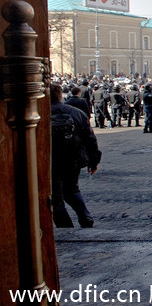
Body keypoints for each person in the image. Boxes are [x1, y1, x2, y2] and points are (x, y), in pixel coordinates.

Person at [50, 82, 102, 228]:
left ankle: (65, 225)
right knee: (72, 189)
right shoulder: (76, 112)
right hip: (74, 159)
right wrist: (94, 161)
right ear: (60, 95)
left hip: (51, 160)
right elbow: (90, 139)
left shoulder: (40, 113)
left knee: (56, 196)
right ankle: (86, 217)